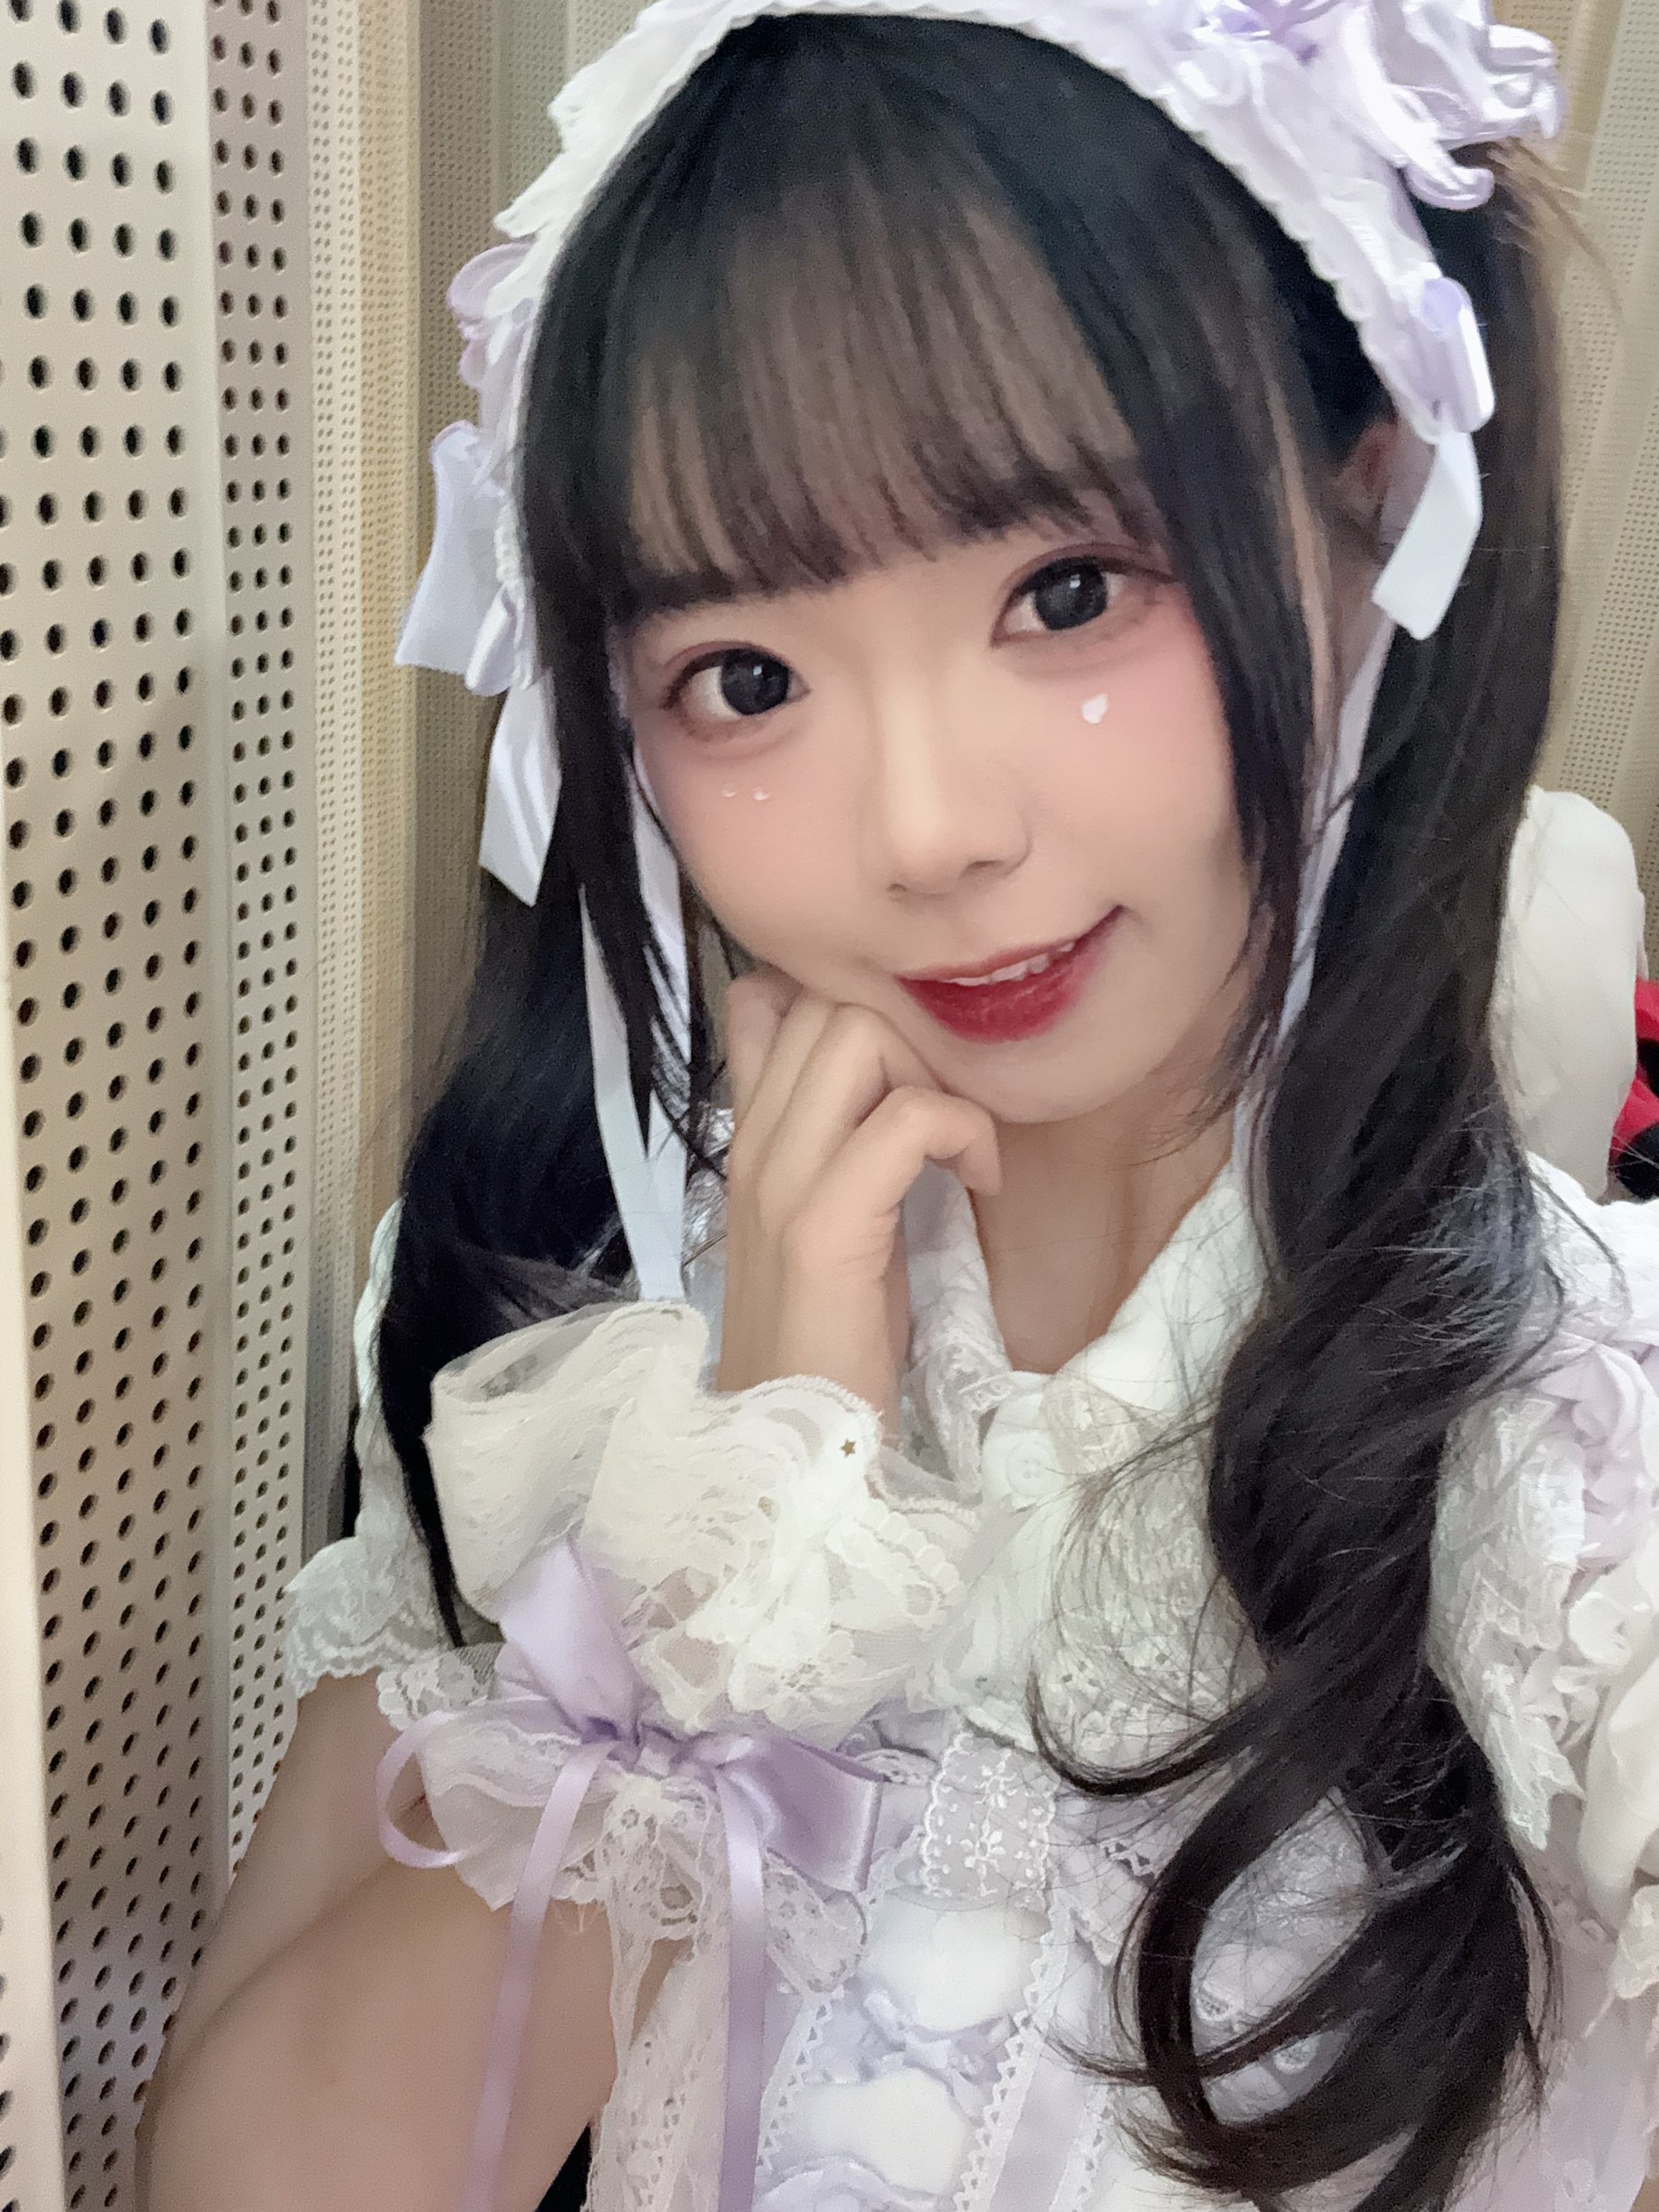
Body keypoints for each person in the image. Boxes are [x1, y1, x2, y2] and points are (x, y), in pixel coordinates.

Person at [138, 4, 1659, 2211]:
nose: (929, 830)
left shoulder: (1584, 1444)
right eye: (744, 678)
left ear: (1370, 512)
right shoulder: (556, 1300)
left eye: (1068, 590)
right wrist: (710, 1581)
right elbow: (254, 2182)